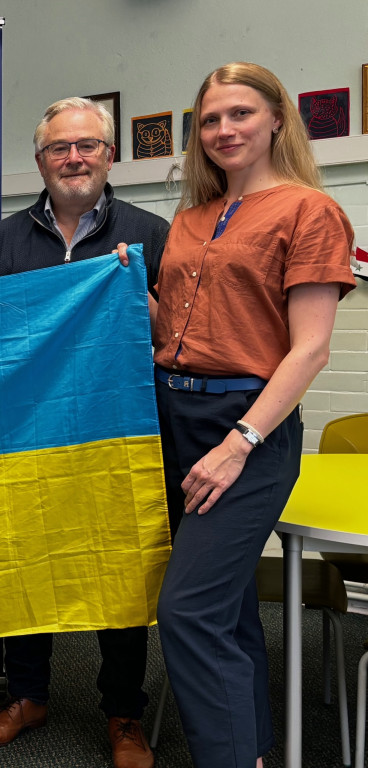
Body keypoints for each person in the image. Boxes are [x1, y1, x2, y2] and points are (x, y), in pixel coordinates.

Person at [148, 62, 356, 768]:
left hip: (248, 426)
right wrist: (124, 286)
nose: (223, 129)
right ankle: (254, 751)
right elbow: (175, 331)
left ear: (276, 119)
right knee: (228, 608)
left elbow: (310, 351)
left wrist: (240, 442)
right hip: (173, 418)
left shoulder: (309, 211)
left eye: (239, 113)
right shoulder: (190, 219)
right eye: (209, 119)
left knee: (188, 613)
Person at [0, 97, 169, 768]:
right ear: (40, 161)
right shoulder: (4, 240)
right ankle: (28, 695)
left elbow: (179, 337)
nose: (74, 157)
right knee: (24, 565)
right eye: (60, 148)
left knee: (121, 574)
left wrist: (136, 295)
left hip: (117, 436)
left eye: (88, 145)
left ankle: (123, 712)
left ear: (110, 155)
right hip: (26, 437)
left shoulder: (152, 231)